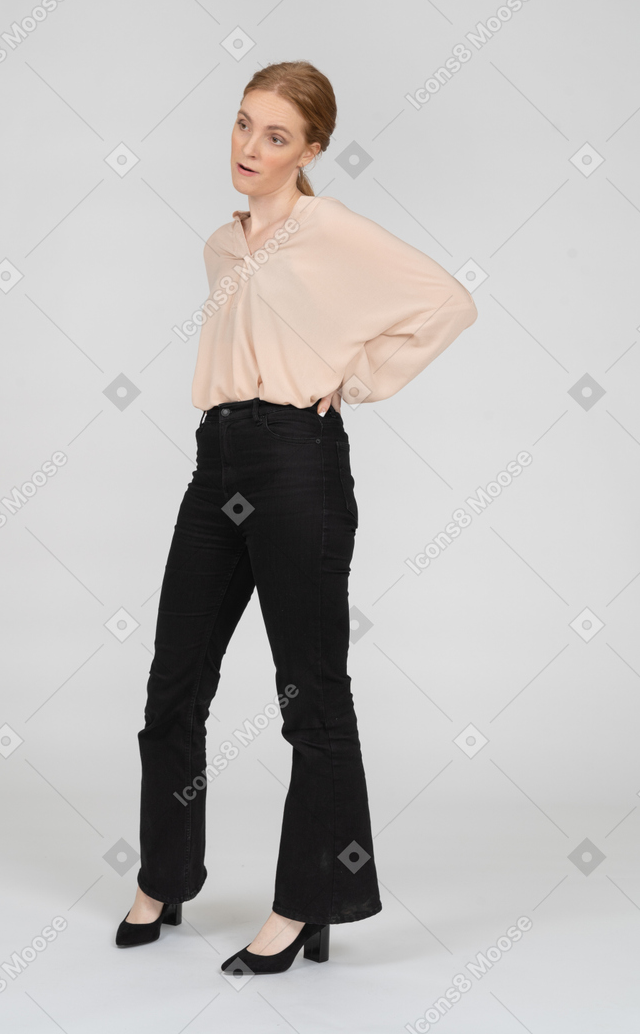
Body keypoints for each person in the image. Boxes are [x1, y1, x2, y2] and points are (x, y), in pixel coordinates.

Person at [115, 60, 477, 975]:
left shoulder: (327, 228)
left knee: (308, 696)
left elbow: (446, 301)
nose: (249, 147)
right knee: (173, 680)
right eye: (242, 124)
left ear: (311, 150)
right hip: (217, 462)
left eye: (275, 136)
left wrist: (352, 382)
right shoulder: (222, 245)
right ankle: (164, 875)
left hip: (296, 467)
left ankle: (303, 905)